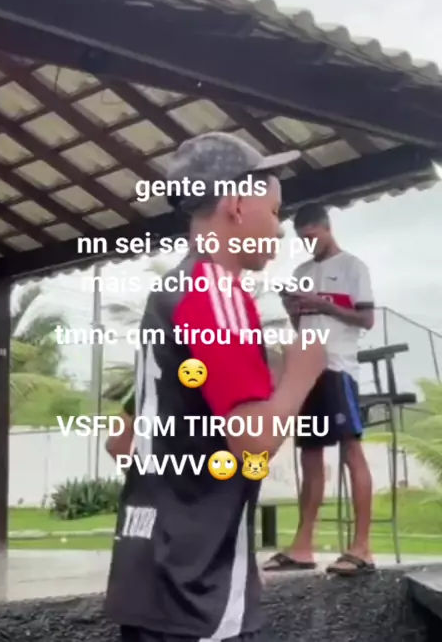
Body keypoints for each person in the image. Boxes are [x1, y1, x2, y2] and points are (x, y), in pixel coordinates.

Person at [104, 132, 327, 642]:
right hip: (199, 588)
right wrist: (301, 372)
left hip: (148, 576)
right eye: (275, 211)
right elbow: (253, 444)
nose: (279, 229)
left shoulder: (170, 292)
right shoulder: (217, 292)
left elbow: (121, 441)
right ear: (236, 205)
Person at [263, 202, 375, 577]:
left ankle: (362, 547)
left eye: (312, 237)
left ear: (327, 228)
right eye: (303, 240)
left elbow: (366, 319)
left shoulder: (353, 267)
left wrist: (320, 304)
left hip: (338, 368)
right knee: (309, 456)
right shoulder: (301, 272)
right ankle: (302, 547)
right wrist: (294, 309)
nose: (308, 245)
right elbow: (302, 327)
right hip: (305, 370)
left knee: (351, 451)